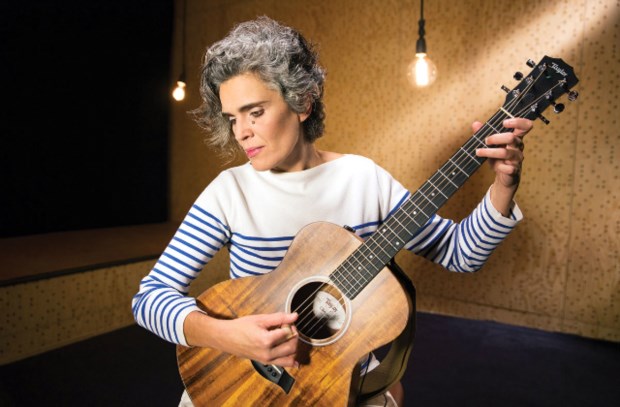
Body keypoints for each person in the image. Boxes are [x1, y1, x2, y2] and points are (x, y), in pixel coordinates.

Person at [132, 16, 531, 407]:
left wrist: (504, 185)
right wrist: (231, 337)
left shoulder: (363, 179)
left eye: (255, 113)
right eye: (232, 118)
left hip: (341, 377)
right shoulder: (230, 191)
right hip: (239, 378)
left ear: (302, 102)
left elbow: (461, 254)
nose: (241, 132)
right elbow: (149, 298)